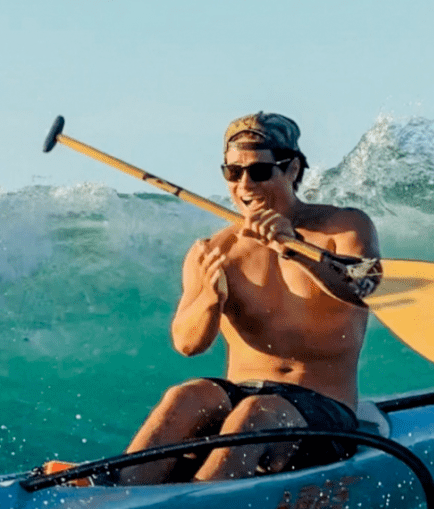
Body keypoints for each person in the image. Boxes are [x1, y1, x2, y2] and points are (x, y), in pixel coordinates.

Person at [121, 112, 380, 483]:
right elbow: (186, 344)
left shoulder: (345, 227)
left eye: (259, 172)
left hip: (324, 410)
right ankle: (113, 499)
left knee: (257, 412)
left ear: (291, 170)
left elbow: (365, 288)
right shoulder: (214, 250)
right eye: (232, 172)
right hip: (241, 395)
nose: (245, 185)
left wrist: (295, 249)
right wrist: (210, 302)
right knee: (186, 396)